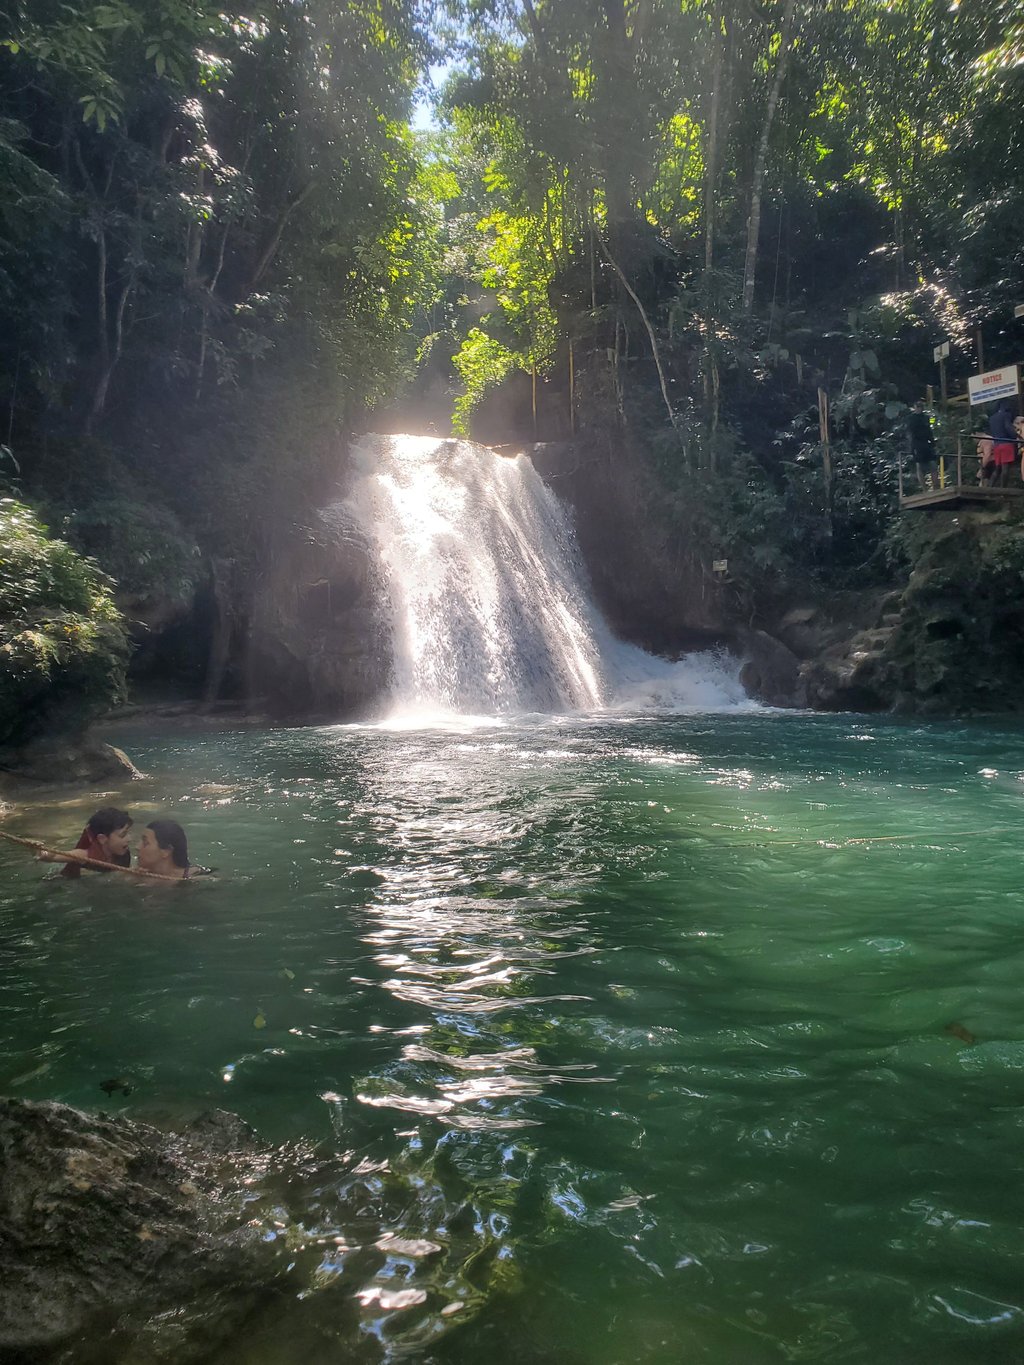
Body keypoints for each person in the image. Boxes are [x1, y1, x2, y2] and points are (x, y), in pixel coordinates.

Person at [55, 807, 133, 878]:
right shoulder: (84, 856)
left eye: (128, 833)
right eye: (123, 835)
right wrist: (45, 854)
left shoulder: (123, 853)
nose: (129, 839)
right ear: (102, 839)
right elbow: (54, 856)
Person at [906, 400, 937, 490]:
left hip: (926, 443)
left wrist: (932, 442)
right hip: (917, 443)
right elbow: (910, 433)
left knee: (933, 464)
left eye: (920, 407)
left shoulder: (926, 418)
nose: (919, 409)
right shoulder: (911, 418)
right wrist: (912, 448)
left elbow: (929, 430)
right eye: (917, 407)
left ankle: (935, 487)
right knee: (919, 466)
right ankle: (924, 489)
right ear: (915, 408)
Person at [988, 398, 1019, 487]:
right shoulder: (1006, 415)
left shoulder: (992, 418)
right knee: (1005, 468)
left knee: (998, 468)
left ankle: (990, 488)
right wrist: (1016, 436)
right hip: (1006, 443)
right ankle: (1003, 489)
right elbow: (1008, 428)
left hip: (996, 444)